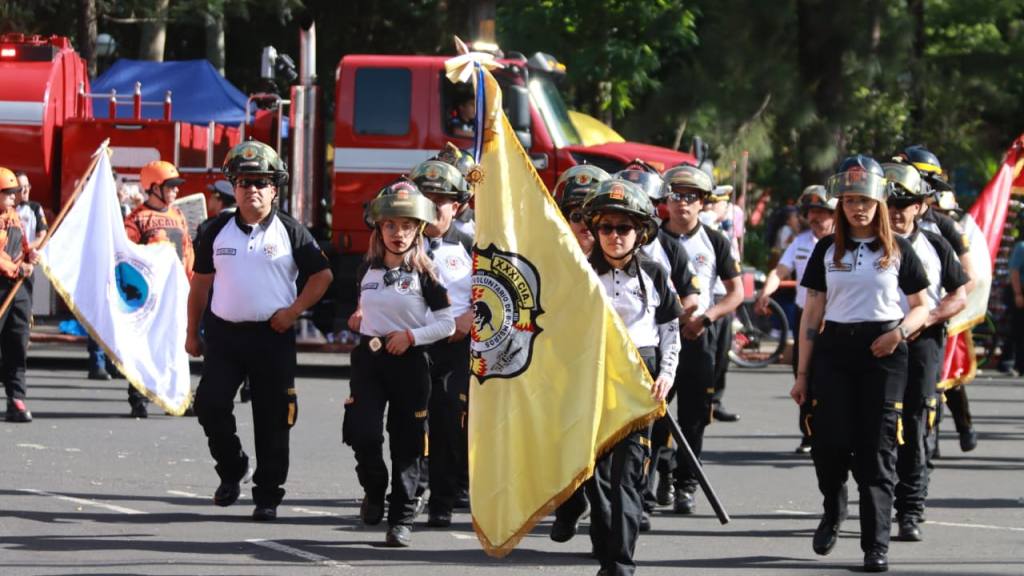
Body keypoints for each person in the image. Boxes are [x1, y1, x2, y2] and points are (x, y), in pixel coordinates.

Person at [791, 155, 931, 573]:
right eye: (850, 200)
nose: (858, 208)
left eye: (865, 200)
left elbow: (923, 307)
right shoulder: (825, 249)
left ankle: (876, 545)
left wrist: (898, 334)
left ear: (879, 203)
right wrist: (802, 373)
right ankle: (834, 508)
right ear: (841, 203)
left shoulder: (898, 249)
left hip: (884, 354)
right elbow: (812, 312)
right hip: (834, 351)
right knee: (829, 444)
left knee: (877, 450)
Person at [187, 140, 332, 522]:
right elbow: (200, 285)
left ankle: (267, 494)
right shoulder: (215, 231)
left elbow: (322, 276)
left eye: (261, 182)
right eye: (245, 181)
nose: (252, 189)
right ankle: (233, 468)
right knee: (209, 404)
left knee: (273, 419)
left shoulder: (291, 230)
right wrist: (191, 333)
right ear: (233, 186)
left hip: (273, 335)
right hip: (224, 336)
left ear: (275, 188)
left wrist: (294, 311)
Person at [344, 178, 455, 547]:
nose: (398, 233)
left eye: (407, 226)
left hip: (410, 365)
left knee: (407, 444)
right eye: (391, 225)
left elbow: (447, 324)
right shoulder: (367, 269)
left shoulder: (427, 275)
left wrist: (410, 337)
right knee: (363, 432)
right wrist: (359, 315)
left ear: (418, 231)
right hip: (369, 362)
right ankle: (375, 489)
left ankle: (401, 519)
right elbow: (367, 304)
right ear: (379, 227)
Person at [580, 177, 681, 575]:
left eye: (623, 228)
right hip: (594, 383)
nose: (614, 236)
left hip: (642, 382)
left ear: (639, 232)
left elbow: (671, 331)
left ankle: (620, 563)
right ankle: (605, 542)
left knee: (627, 478)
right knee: (596, 477)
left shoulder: (656, 273)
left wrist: (667, 375)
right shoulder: (581, 276)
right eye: (606, 227)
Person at [882, 162, 968, 543]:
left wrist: (927, 318)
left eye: (906, 203)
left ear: (920, 206)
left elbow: (959, 294)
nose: (897, 211)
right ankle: (875, 505)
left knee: (915, 427)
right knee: (874, 430)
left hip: (922, 344)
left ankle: (910, 510)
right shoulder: (861, 243)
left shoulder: (936, 242)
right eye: (890, 202)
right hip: (873, 345)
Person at [660, 164, 744, 515]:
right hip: (658, 338)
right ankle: (655, 477)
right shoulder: (648, 236)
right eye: (677, 195)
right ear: (667, 199)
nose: (683, 204)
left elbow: (735, 292)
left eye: (691, 197)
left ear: (702, 203)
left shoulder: (715, 240)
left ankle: (685, 485)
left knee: (694, 417)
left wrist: (706, 317)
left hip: (698, 338)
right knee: (652, 413)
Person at [897, 145, 979, 455]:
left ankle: (938, 439)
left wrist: (933, 314)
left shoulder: (943, 226)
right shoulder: (880, 222)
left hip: (933, 321)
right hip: (888, 324)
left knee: (939, 385)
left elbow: (968, 278)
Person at [409, 158, 474, 528]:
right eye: (425, 196)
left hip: (453, 347)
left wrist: (470, 320)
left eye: (442, 198)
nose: (434, 205)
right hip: (413, 344)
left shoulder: (470, 242)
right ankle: (412, 490)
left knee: (449, 422)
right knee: (410, 421)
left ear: (458, 205)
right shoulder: (400, 238)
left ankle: (443, 499)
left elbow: (496, 293)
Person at [548, 164, 610, 543]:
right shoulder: (547, 258)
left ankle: (606, 535)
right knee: (563, 449)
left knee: (606, 461)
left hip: (606, 373)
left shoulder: (629, 260)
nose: (585, 223)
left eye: (593, 214)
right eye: (575, 214)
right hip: (560, 371)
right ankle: (569, 507)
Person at [756, 185, 836, 453]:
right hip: (806, 317)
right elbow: (779, 271)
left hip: (836, 319)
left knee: (832, 377)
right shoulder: (800, 243)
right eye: (811, 212)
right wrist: (765, 293)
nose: (815, 218)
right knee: (803, 377)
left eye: (822, 212)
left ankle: (832, 431)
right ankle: (808, 433)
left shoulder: (843, 243)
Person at [119, 160, 195, 418]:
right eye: (170, 186)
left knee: (176, 344)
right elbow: (126, 257)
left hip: (176, 295)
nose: (175, 192)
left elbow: (188, 252)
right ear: (153, 188)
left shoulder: (178, 216)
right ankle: (139, 397)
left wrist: (190, 282)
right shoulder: (136, 219)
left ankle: (179, 396)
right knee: (144, 345)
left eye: (176, 187)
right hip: (149, 297)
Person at [701, 184, 742, 422]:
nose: (725, 208)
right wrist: (713, 213)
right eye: (720, 203)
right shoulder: (707, 221)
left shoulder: (724, 228)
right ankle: (703, 401)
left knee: (721, 355)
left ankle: (715, 401)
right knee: (706, 356)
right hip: (709, 298)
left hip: (725, 296)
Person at [0, 167, 36, 423]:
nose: (15, 196)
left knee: (17, 343)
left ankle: (16, 398)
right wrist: (16, 268)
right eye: (8, 193)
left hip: (18, 289)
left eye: (15, 193)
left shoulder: (14, 216)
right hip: (3, 285)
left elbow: (23, 244)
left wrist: (29, 256)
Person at [14, 172, 47, 249]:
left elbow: (43, 237)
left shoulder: (35, 208)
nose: (26, 190)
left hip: (30, 255)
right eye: (21, 188)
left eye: (27, 186)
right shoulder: (6, 209)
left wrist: (25, 249)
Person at [1009, 227, 1024, 377]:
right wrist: (1018, 294)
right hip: (1021, 290)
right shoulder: (1021, 247)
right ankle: (1019, 365)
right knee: (1020, 331)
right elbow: (1014, 272)